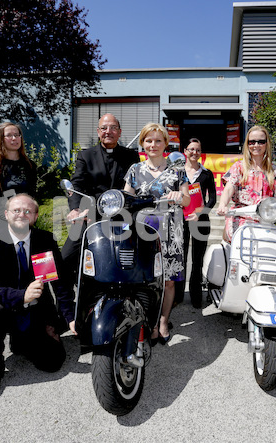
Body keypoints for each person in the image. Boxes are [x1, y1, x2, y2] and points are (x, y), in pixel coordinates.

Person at [0, 194, 76, 397]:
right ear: (6, 215)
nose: (22, 214)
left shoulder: (44, 240)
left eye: (28, 211)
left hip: (37, 309)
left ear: (35, 216)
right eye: (16, 210)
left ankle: (22, 340)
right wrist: (22, 296)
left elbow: (60, 282)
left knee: (53, 362)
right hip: (3, 308)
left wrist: (70, 316)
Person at [124, 122, 190, 344]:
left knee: (169, 280)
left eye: (158, 140)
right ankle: (146, 321)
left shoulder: (177, 169)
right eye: (148, 140)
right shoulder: (135, 170)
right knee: (145, 278)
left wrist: (179, 197)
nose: (153, 144)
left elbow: (188, 198)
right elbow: (126, 200)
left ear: (165, 144)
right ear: (142, 143)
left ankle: (163, 320)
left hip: (171, 229)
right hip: (143, 230)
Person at [61, 114, 140, 286]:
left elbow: (136, 186)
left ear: (119, 132)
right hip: (90, 214)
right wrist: (75, 209)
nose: (108, 132)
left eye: (113, 128)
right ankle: (73, 292)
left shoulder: (131, 156)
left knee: (140, 250)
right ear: (98, 132)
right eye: (104, 128)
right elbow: (76, 185)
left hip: (122, 216)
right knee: (65, 256)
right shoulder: (85, 155)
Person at [217, 125, 276, 241]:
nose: (256, 145)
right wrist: (222, 205)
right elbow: (229, 188)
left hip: (266, 222)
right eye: (252, 142)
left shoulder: (274, 171)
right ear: (247, 144)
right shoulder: (239, 167)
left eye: (261, 142)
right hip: (241, 222)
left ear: (267, 144)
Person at [175, 138, 217, 308]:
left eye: (197, 150)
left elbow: (212, 199)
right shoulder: (177, 173)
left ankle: (196, 296)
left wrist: (200, 213)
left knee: (197, 259)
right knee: (181, 258)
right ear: (185, 151)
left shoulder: (207, 174)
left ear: (201, 153)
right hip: (181, 220)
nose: (194, 152)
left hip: (201, 221)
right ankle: (177, 295)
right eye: (191, 149)